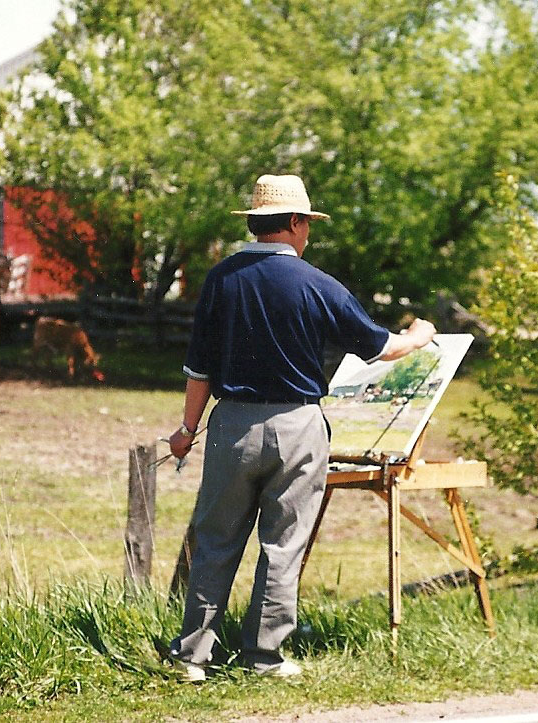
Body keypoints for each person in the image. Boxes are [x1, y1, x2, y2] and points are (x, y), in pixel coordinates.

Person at [167, 174, 436, 681]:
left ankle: (191, 658)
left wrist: (187, 428)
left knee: (216, 539)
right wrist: (419, 335)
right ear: (293, 223)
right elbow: (382, 347)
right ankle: (263, 656)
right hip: (298, 425)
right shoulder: (317, 284)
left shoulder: (220, 280)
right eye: (307, 223)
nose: (308, 232)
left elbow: (198, 368)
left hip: (232, 425)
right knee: (283, 544)